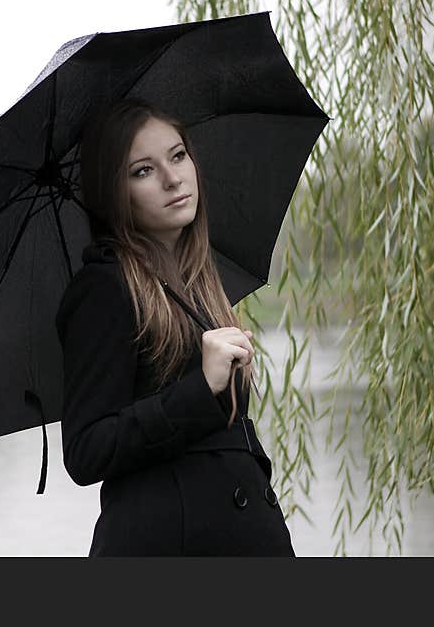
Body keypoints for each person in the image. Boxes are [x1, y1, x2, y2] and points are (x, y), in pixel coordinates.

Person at [55, 97, 295, 556]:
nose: (172, 178)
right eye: (142, 171)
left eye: (178, 155)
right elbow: (87, 451)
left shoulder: (200, 279)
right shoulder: (104, 287)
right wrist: (201, 387)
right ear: (114, 192)